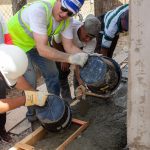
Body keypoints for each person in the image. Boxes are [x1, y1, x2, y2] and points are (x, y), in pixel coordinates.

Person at [7, 0, 88, 122]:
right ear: (58, 1)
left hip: (35, 44)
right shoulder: (40, 9)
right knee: (30, 82)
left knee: (53, 73)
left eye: (70, 13)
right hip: (16, 44)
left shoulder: (67, 20)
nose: (65, 14)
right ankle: (33, 116)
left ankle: (53, 108)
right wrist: (70, 58)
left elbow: (69, 47)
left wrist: (87, 57)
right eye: (64, 8)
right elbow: (43, 50)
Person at [0, 44, 50, 142]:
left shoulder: (4, 57)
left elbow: (18, 79)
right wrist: (26, 99)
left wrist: (35, 93)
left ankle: (1, 130)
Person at [52, 14, 101, 101]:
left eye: (91, 37)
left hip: (78, 48)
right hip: (60, 46)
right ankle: (67, 99)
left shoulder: (92, 41)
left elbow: (82, 61)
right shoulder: (70, 27)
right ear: (82, 26)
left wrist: (80, 80)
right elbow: (55, 41)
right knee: (62, 73)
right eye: (86, 36)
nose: (88, 40)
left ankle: (78, 95)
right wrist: (63, 59)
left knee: (80, 73)